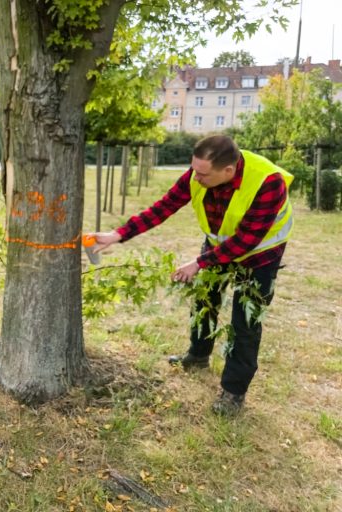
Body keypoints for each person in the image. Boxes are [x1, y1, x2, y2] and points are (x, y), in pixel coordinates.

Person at [91, 135, 293, 416]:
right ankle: (198, 355)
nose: (195, 178)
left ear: (228, 171)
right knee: (204, 301)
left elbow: (246, 240)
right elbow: (164, 206)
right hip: (217, 246)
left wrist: (198, 263)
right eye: (194, 170)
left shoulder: (268, 182)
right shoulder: (200, 173)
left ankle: (234, 392)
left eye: (202, 174)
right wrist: (119, 234)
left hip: (260, 253)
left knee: (244, 323)